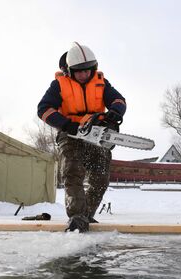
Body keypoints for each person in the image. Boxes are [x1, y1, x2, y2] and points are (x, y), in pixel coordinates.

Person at [37, 42, 126, 232]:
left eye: (88, 70)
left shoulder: (101, 82)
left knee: (100, 175)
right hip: (70, 132)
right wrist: (66, 124)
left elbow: (118, 100)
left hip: (95, 132)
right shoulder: (59, 85)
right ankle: (77, 216)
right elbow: (43, 109)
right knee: (73, 171)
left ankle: (86, 215)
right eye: (79, 71)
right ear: (70, 71)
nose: (85, 74)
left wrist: (115, 112)